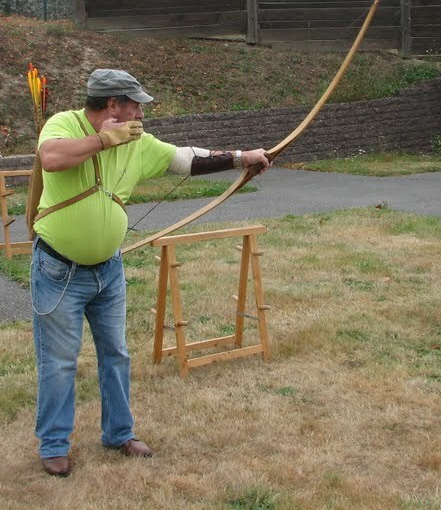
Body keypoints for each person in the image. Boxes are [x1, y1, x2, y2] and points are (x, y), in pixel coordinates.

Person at [31, 68, 270, 477]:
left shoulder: (137, 140)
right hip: (58, 269)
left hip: (108, 269)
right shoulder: (64, 124)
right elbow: (51, 159)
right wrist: (104, 140)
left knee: (116, 354)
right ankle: (54, 444)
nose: (142, 113)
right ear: (113, 105)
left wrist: (240, 158)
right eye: (136, 105)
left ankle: (119, 433)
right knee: (59, 362)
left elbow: (183, 158)